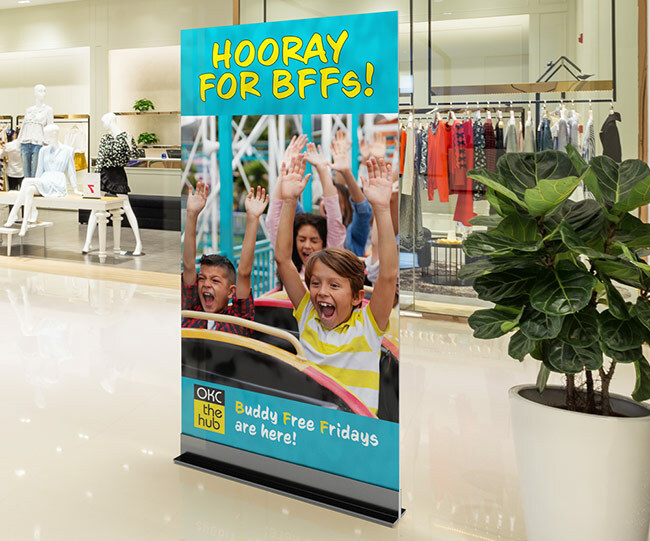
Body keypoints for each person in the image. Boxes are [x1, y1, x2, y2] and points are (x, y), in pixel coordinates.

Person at [274, 155, 398, 415]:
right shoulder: (308, 314)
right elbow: (283, 260)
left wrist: (383, 210)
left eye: (334, 285)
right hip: (309, 425)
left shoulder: (367, 325)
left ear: (356, 297)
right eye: (316, 283)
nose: (321, 292)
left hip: (354, 435)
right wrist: (288, 201)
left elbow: (387, 275)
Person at [182, 181, 268, 333]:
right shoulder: (193, 310)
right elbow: (188, 265)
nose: (206, 284)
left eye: (215, 280)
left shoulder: (237, 320)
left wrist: (253, 218)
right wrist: (192, 214)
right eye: (202, 278)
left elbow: (244, 272)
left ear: (231, 292)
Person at [5, 124, 81, 236]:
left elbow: (71, 171)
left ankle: (12, 215)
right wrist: (37, 184)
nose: (44, 138)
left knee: (26, 181)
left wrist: (75, 188)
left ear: (54, 134)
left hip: (57, 183)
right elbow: (39, 172)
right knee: (30, 189)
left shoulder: (68, 150)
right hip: (44, 181)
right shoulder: (43, 150)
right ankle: (25, 223)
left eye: (46, 135)